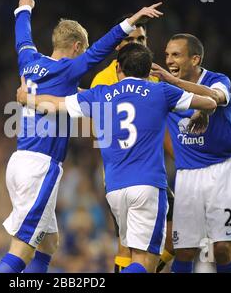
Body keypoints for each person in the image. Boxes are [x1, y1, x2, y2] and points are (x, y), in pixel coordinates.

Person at [0, 0, 163, 273]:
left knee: (49, 243)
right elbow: (102, 48)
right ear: (75, 47)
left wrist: (23, 8)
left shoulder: (30, 61)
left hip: (20, 158)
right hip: (40, 165)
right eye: (81, 51)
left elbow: (22, 37)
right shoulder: (69, 69)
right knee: (21, 249)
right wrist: (131, 21)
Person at [16, 43, 217, 272]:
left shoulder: (101, 93)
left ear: (119, 68)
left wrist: (27, 98)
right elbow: (210, 102)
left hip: (115, 190)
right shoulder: (161, 91)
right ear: (148, 70)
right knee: (145, 263)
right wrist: (199, 108)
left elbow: (56, 104)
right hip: (147, 186)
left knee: (130, 255)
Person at [151, 33, 231, 273]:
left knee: (221, 248)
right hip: (187, 175)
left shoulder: (218, 80)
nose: (169, 60)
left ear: (195, 59)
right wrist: (180, 156)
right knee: (184, 250)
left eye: (176, 55)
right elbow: (157, 128)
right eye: (167, 55)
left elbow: (215, 97)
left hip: (220, 172)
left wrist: (174, 81)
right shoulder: (162, 90)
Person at [91, 17, 174, 273]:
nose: (137, 43)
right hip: (124, 173)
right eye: (131, 39)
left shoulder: (154, 76)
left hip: (147, 172)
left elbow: (161, 127)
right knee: (128, 247)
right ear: (118, 45)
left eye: (141, 39)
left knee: (172, 238)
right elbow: (102, 134)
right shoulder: (104, 80)